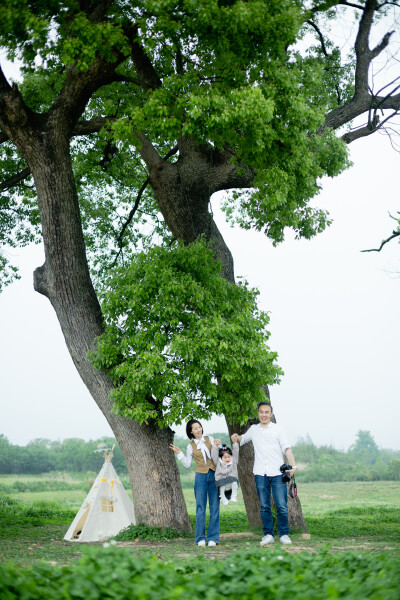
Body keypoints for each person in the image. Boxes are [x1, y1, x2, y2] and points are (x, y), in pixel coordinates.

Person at [231, 401, 298, 546]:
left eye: (267, 412)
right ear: (258, 414)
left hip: (277, 473)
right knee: (264, 506)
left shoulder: (278, 429)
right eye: (261, 412)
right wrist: (236, 437)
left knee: (281, 505)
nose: (264, 415)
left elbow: (287, 448)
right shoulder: (254, 429)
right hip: (260, 473)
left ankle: (284, 534)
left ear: (271, 414)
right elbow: (243, 439)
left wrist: (294, 466)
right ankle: (268, 534)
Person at [170, 420, 220, 547]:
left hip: (214, 475)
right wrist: (179, 453)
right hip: (200, 477)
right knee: (200, 508)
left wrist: (218, 446)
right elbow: (187, 464)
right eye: (195, 428)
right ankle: (200, 538)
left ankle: (213, 538)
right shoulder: (190, 446)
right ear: (191, 431)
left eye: (199, 427)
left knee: (214, 507)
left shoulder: (211, 439)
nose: (198, 430)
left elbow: (218, 456)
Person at [211, 441, 239, 505]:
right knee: (222, 486)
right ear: (221, 458)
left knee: (235, 482)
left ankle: (234, 496)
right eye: (225, 458)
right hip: (222, 481)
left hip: (231, 481)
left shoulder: (233, 461)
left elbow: (236, 453)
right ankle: (223, 498)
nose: (227, 459)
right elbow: (214, 455)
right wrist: (215, 446)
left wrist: (235, 444)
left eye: (229, 457)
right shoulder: (218, 462)